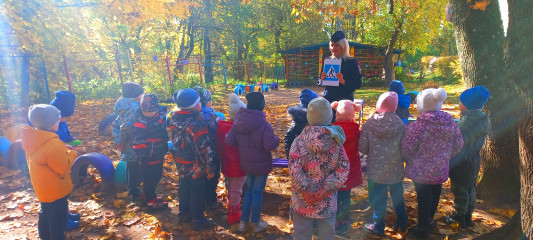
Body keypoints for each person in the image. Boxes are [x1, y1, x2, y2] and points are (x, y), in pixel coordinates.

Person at [402, 88, 464, 239]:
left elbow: (408, 146)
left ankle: (422, 227)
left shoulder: (419, 125)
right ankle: (429, 220)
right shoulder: (450, 123)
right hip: (440, 168)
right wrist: (446, 156)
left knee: (423, 196)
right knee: (435, 192)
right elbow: (459, 144)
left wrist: (407, 158)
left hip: (420, 170)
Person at [289, 97, 350, 240]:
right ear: (330, 118)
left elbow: (295, 170)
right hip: (326, 200)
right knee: (327, 234)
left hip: (302, 199)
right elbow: (343, 167)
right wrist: (326, 189)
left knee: (301, 234)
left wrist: (306, 190)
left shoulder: (298, 142)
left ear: (308, 118)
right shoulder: (336, 143)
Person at [21, 104, 79, 240]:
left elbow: (45, 155)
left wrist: (63, 148)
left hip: (42, 189)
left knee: (45, 214)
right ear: (50, 123)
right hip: (56, 190)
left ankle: (45, 237)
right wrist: (72, 153)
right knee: (57, 220)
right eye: (57, 120)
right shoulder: (52, 144)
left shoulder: (34, 139)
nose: (59, 121)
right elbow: (63, 167)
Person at [225, 92, 279, 233]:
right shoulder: (264, 125)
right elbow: (269, 145)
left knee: (249, 190)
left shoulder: (238, 122)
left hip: (246, 164)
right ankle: (255, 223)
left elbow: (229, 139)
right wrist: (276, 140)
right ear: (262, 105)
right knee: (257, 192)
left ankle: (243, 222)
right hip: (261, 165)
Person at [359, 92, 408, 237]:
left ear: (379, 106)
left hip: (376, 170)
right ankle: (402, 221)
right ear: (394, 107)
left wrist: (371, 151)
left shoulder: (369, 123)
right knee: (397, 196)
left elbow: (362, 146)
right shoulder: (400, 124)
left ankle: (378, 226)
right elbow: (404, 147)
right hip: (395, 169)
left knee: (378, 198)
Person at [169, 88, 216, 230]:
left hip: (181, 162)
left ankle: (184, 214)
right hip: (196, 166)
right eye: (199, 102)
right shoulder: (197, 124)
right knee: (197, 191)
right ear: (195, 106)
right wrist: (210, 168)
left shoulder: (174, 117)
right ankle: (197, 219)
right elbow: (204, 149)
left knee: (184, 188)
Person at [446, 86, 490, 228]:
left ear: (467, 106)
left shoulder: (464, 125)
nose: (459, 104)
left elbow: (457, 146)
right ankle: (467, 215)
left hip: (461, 162)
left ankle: (459, 216)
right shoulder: (483, 120)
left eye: (460, 102)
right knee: (470, 187)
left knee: (460, 190)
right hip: (474, 159)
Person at [331, 99, 363, 234]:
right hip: (350, 169)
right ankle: (344, 221)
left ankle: (334, 220)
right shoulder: (357, 130)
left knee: (335, 196)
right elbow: (362, 146)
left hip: (335, 169)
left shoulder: (332, 130)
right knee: (346, 196)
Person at [132, 93, 169, 211]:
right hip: (147, 156)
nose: (147, 114)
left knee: (157, 175)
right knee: (149, 178)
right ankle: (150, 200)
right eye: (145, 112)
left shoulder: (161, 114)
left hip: (159, 151)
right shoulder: (141, 121)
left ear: (156, 109)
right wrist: (142, 155)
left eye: (150, 112)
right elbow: (138, 140)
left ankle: (150, 195)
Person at [215, 93, 247, 224]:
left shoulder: (222, 127)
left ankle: (230, 201)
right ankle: (233, 213)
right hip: (239, 166)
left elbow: (218, 146)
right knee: (237, 189)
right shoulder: (243, 130)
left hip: (227, 163)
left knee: (230, 184)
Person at [112, 82, 144, 201]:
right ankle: (134, 192)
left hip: (127, 142)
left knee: (131, 165)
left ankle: (132, 188)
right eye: (141, 94)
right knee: (134, 166)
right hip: (133, 142)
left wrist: (117, 140)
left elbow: (115, 124)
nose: (142, 96)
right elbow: (126, 127)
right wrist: (121, 141)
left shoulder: (122, 106)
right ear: (136, 96)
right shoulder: (134, 108)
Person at [193, 86, 223, 209]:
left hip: (194, 153)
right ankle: (210, 201)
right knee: (212, 176)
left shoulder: (187, 114)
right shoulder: (211, 115)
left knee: (200, 178)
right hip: (211, 151)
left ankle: (201, 200)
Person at [320, 30, 362, 103]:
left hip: (345, 102)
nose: (333, 48)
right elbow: (319, 81)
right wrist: (321, 79)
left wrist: (343, 81)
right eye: (332, 45)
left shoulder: (352, 62)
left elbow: (358, 84)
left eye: (336, 45)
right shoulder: (327, 60)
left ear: (343, 46)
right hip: (328, 101)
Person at [284, 89, 318, 158]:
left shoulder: (296, 121)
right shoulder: (313, 123)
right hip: (311, 161)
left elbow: (288, 140)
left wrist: (291, 158)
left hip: (295, 160)